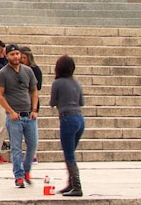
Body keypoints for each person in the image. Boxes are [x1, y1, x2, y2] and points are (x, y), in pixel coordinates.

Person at [0, 43, 39, 188]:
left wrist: (34, 109)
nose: (16, 57)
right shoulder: (2, 74)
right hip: (14, 117)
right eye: (12, 54)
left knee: (32, 145)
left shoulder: (28, 71)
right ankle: (18, 176)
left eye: (17, 54)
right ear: (6, 56)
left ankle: (26, 170)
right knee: (16, 147)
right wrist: (11, 111)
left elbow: (33, 91)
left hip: (29, 115)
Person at [49, 54, 85, 197]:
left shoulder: (57, 83)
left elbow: (52, 102)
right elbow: (81, 102)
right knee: (71, 153)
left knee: (69, 155)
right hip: (79, 119)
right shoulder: (77, 83)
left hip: (67, 119)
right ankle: (70, 184)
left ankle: (77, 186)